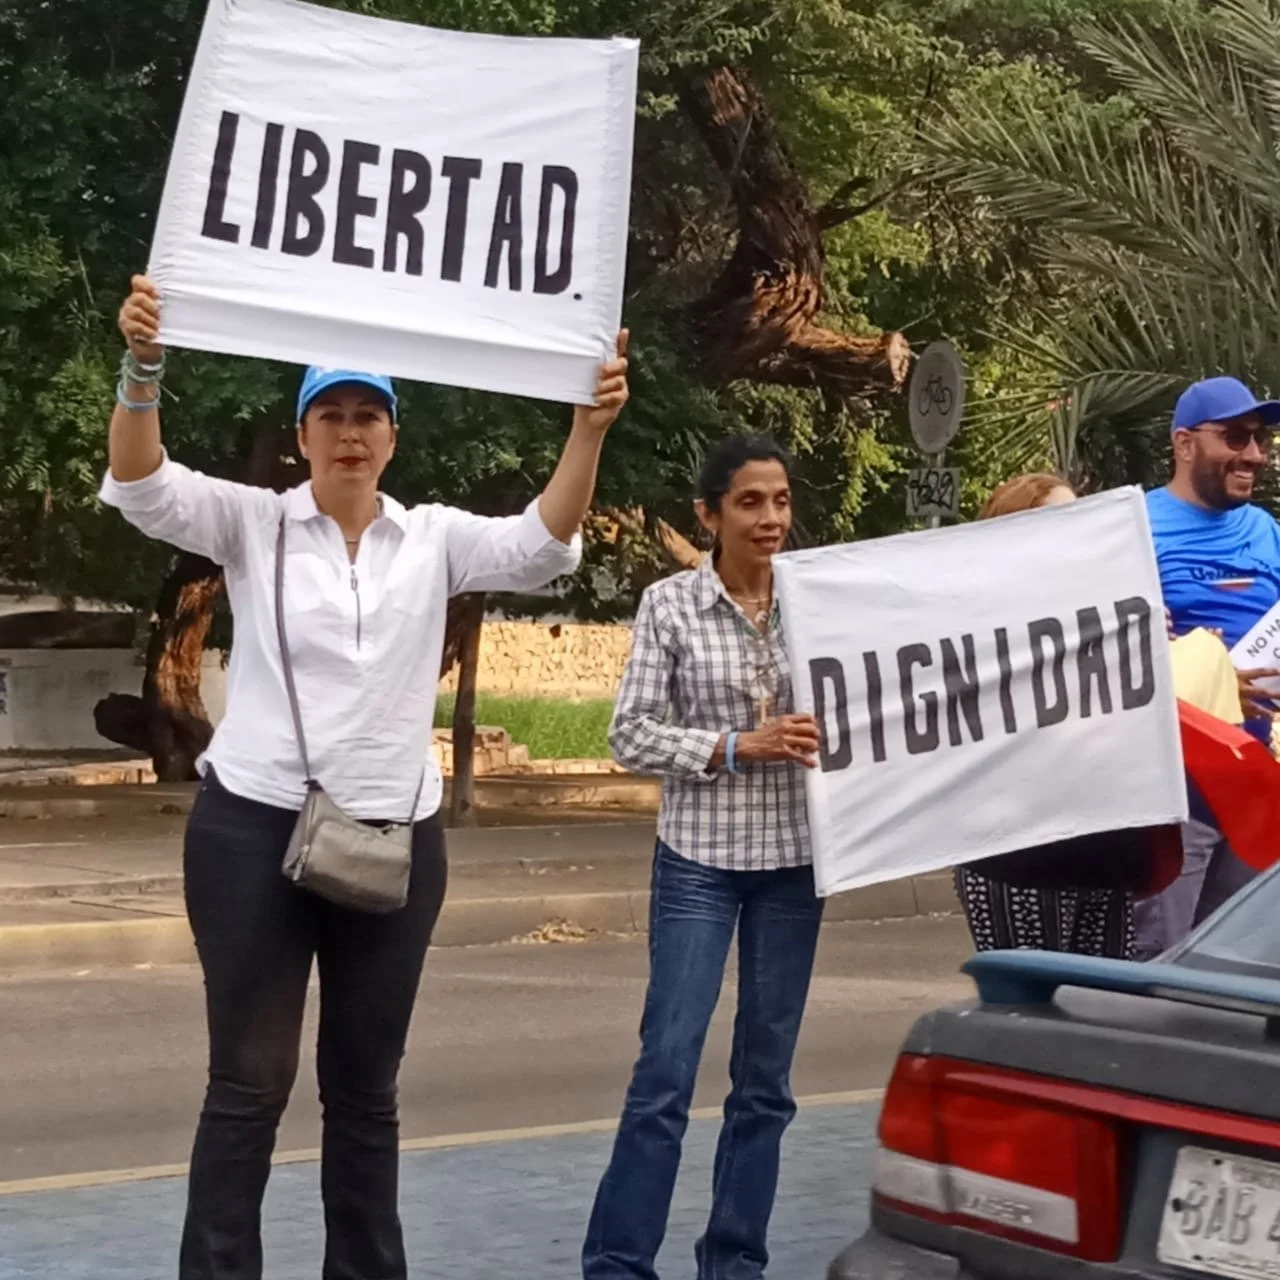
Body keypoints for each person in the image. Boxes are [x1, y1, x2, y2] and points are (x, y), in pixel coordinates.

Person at [105, 275, 629, 1280]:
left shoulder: (432, 537)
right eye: (331, 414)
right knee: (248, 1084)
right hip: (253, 831)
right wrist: (142, 368)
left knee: (364, 1091)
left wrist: (587, 429)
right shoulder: (254, 523)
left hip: (394, 835)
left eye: (368, 415)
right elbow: (142, 483)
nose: (350, 432)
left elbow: (539, 544)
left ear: (392, 436)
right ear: (303, 434)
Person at [582, 435, 824, 1280]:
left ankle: (734, 1262)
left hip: (795, 864)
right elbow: (629, 734)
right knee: (666, 1071)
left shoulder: (823, 600)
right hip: (700, 863)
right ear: (710, 513)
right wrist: (735, 745)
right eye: (750, 501)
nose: (770, 518)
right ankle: (618, 1264)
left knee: (766, 1084)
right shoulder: (671, 605)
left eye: (781, 500)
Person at [952, 472, 1141, 957]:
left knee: (1099, 995)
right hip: (1012, 846)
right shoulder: (974, 627)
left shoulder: (1105, 616)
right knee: (1031, 995)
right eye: (1055, 521)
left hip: (1100, 837)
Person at [1138, 376, 1280, 958]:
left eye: (1260, 439)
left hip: (1258, 789)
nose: (1255, 454)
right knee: (1160, 967)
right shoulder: (1135, 526)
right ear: (1185, 443)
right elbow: (1112, 656)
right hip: (1176, 794)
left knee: (1238, 972)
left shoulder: (1266, 531)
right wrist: (1212, 683)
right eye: (1235, 437)